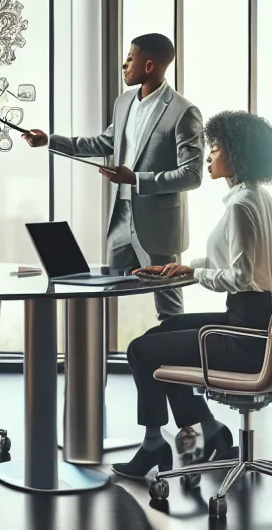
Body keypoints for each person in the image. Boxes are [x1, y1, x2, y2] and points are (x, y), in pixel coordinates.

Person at [112, 110, 272, 481]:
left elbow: (239, 276)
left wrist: (200, 274)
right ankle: (211, 430)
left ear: (236, 155)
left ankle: (154, 443)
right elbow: (252, 267)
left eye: (216, 148)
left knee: (141, 351)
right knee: (165, 330)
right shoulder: (258, 198)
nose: (208, 155)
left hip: (243, 336)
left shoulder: (240, 206)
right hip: (254, 320)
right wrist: (189, 268)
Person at [23, 33, 203, 317]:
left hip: (158, 222)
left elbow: (192, 175)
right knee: (104, 291)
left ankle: (174, 354)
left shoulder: (184, 112)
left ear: (149, 65)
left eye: (130, 58)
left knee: (167, 301)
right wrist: (50, 141)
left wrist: (136, 179)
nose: (124, 64)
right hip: (121, 215)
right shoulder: (124, 103)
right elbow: (102, 143)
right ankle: (95, 354)